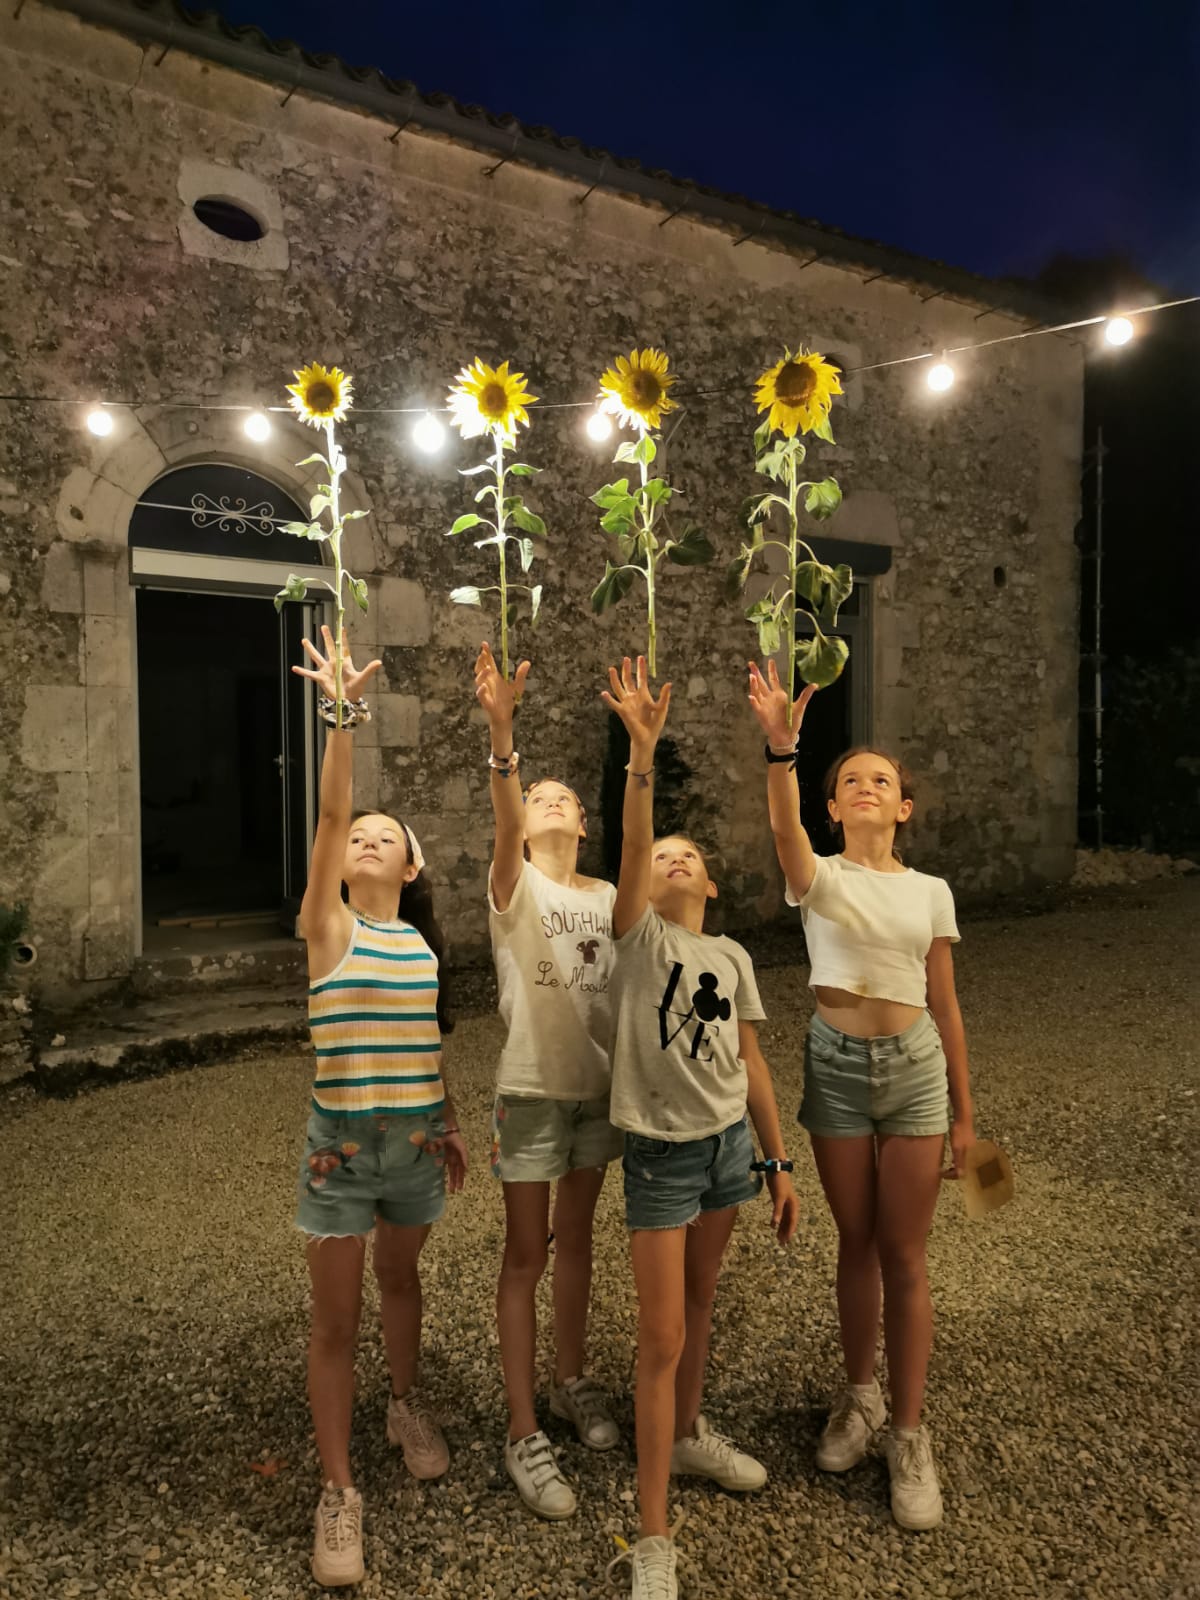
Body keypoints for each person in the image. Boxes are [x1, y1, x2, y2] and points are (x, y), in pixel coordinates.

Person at [747, 657, 974, 1531]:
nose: (867, 787)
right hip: (836, 1066)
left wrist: (965, 1115)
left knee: (905, 1252)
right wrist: (783, 754)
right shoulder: (821, 876)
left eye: (882, 779)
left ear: (903, 807)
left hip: (913, 1064)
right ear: (833, 808)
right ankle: (861, 1396)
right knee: (856, 1241)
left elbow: (946, 1004)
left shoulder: (931, 891)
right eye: (850, 782)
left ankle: (909, 1434)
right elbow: (782, 836)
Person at [602, 655, 799, 1600]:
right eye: (663, 857)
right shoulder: (639, 937)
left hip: (728, 1149)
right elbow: (635, 851)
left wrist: (776, 1160)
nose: (673, 861)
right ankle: (651, 1533)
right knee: (661, 1336)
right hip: (662, 1157)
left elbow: (752, 1061)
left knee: (705, 1303)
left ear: (713, 886)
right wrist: (644, 756)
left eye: (691, 857)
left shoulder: (728, 952)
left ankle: (685, 1438)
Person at [292, 626, 468, 1588]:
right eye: (359, 833)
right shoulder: (328, 928)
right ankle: (338, 1490)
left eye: (384, 838)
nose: (364, 838)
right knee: (335, 1320)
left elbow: (423, 1046)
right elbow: (326, 819)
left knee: (402, 1286)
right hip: (340, 1150)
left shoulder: (424, 952)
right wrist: (343, 714)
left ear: (409, 870)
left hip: (412, 1144)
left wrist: (444, 1122)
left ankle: (404, 1404)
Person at [474, 641, 624, 1520]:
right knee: (525, 1254)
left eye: (562, 796)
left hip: (597, 1093)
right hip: (530, 1090)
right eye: (538, 799)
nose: (551, 802)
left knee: (580, 1239)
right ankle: (522, 1425)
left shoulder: (606, 895)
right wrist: (506, 742)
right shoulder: (516, 885)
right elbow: (502, 818)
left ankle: (570, 1380)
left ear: (583, 824)